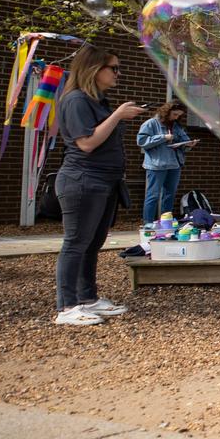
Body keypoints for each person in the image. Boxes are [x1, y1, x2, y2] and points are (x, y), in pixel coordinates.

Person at [51, 45, 145, 325]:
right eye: (113, 68)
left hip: (105, 181)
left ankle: (87, 299)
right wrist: (117, 115)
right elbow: (87, 143)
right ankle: (66, 308)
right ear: (94, 69)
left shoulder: (98, 101)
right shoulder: (76, 100)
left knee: (93, 242)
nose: (119, 73)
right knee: (76, 243)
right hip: (82, 179)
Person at [136, 99, 194, 226]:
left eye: (179, 115)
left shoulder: (176, 126)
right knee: (153, 195)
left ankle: (165, 223)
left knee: (169, 195)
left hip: (174, 165)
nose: (176, 117)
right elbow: (141, 141)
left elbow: (184, 141)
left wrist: (189, 144)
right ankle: (148, 223)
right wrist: (163, 137)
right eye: (174, 114)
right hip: (156, 165)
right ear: (167, 112)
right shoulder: (151, 123)